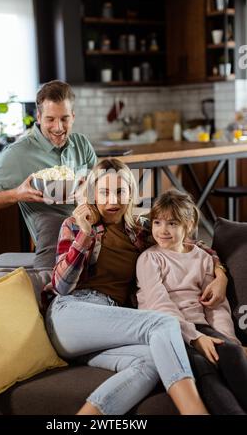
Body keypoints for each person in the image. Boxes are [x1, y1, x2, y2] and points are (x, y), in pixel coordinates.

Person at [45, 158, 227, 415]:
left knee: (151, 362)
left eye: (121, 191)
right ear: (93, 194)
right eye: (105, 192)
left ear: (132, 194)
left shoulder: (141, 230)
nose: (113, 200)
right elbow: (61, 286)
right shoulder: (75, 225)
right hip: (71, 315)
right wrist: (85, 234)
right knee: (163, 323)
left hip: (110, 327)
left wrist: (221, 275)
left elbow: (191, 243)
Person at [136, 188, 247, 415]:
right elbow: (160, 305)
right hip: (167, 330)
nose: (162, 230)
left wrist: (228, 338)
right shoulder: (150, 258)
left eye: (172, 224)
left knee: (231, 353)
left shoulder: (203, 258)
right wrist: (196, 339)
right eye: (157, 223)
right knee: (204, 368)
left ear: (188, 225)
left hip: (200, 326)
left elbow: (215, 306)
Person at [0, 80, 97, 265]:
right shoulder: (18, 153)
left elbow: (98, 183)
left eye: (64, 118)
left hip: (90, 228)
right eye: (50, 119)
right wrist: (17, 194)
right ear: (38, 117)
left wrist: (88, 188)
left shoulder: (82, 144)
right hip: (56, 237)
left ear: (73, 116)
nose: (59, 127)